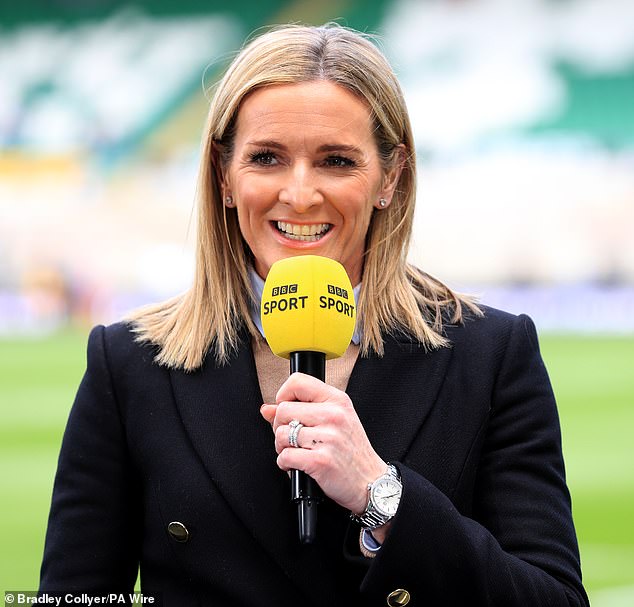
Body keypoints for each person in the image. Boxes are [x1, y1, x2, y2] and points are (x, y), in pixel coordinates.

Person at [40, 23, 589, 607]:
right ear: (225, 176)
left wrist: (382, 497)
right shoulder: (128, 364)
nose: (300, 195)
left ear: (390, 177)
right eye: (266, 158)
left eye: (336, 161)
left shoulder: (491, 354)